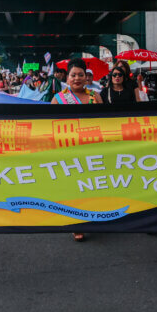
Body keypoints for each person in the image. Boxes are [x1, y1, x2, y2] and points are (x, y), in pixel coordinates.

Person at [51, 58, 102, 242]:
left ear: (86, 77)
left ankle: (92, 216)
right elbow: (50, 126)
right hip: (69, 150)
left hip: (92, 148)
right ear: (67, 77)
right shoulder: (58, 99)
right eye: (73, 75)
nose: (77, 78)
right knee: (73, 188)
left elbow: (105, 121)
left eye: (81, 75)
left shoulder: (95, 96)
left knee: (91, 186)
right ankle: (77, 224)